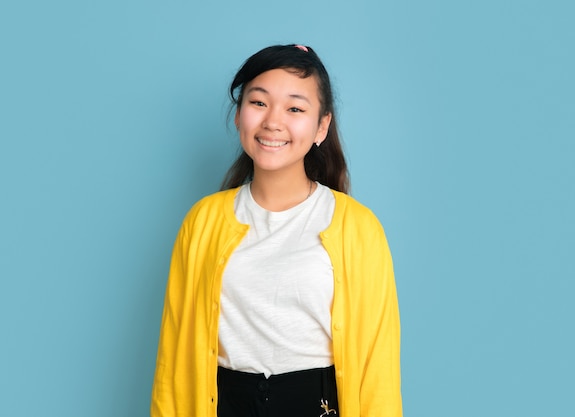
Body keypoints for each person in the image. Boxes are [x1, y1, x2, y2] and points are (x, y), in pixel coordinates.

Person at [151, 44, 402, 417]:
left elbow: (378, 368)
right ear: (239, 115)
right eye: (259, 102)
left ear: (321, 126)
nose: (273, 121)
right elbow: (173, 360)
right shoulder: (202, 222)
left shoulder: (358, 228)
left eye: (295, 108)